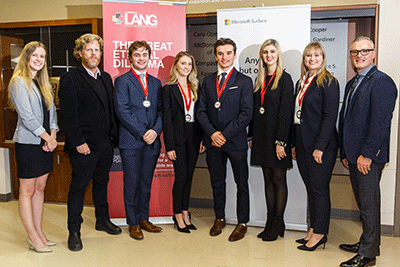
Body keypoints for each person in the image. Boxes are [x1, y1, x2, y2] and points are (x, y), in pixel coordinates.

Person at [59, 33, 121, 252]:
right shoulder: (71, 78)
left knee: (102, 184)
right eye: (89, 50)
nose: (94, 54)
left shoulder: (105, 77)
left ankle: (102, 220)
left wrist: (114, 137)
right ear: (80, 53)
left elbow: (109, 110)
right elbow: (68, 115)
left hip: (105, 143)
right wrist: (78, 142)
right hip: (83, 146)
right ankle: (74, 231)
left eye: (97, 50)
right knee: (78, 189)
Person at [338, 36, 397, 267]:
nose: (359, 55)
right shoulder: (353, 82)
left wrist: (368, 155)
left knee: (369, 204)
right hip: (353, 156)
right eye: (354, 52)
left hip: (368, 157)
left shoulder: (381, 81)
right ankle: (368, 243)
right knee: (364, 202)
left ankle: (368, 255)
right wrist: (345, 152)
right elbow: (348, 120)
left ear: (373, 53)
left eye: (364, 51)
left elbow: (381, 123)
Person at [197, 38, 253, 241]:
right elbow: (201, 111)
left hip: (235, 141)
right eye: (220, 53)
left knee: (242, 184)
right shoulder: (208, 81)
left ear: (234, 55)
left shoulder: (244, 81)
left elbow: (247, 113)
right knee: (217, 182)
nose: (224, 57)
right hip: (213, 143)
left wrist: (225, 134)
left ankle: (242, 222)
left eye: (228, 53)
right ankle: (219, 218)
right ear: (215, 56)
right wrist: (213, 134)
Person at [8, 41, 58, 253]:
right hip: (29, 144)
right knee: (27, 191)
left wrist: (53, 134)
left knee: (40, 188)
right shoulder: (18, 82)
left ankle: (39, 232)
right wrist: (47, 137)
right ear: (26, 57)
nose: (39, 60)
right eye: (35, 55)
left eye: (42, 56)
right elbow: (27, 117)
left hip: (46, 142)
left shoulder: (42, 82)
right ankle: (32, 236)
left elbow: (52, 112)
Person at [292, 42, 339, 251]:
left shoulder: (329, 82)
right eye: (308, 55)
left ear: (323, 58)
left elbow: (330, 117)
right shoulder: (301, 82)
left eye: (316, 55)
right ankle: (313, 229)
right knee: (311, 188)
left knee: (319, 190)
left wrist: (319, 147)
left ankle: (320, 233)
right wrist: (294, 144)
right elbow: (297, 116)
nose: (312, 59)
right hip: (302, 142)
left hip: (321, 146)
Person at [114, 41, 163, 240]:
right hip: (131, 141)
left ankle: (144, 218)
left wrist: (155, 131)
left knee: (146, 183)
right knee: (132, 183)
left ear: (149, 57)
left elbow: (161, 110)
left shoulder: (156, 83)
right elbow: (122, 110)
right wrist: (144, 132)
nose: (141, 58)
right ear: (130, 58)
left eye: (144, 54)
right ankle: (133, 222)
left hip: (152, 141)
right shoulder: (122, 81)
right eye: (137, 55)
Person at [248, 39, 294, 241]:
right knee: (267, 180)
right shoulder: (259, 79)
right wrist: (251, 135)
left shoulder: (285, 79)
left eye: (272, 51)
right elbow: (254, 112)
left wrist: (281, 142)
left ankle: (277, 223)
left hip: (277, 139)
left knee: (278, 180)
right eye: (265, 52)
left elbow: (286, 113)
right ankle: (270, 222)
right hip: (261, 138)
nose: (269, 55)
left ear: (278, 54)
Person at [162, 52, 206, 233]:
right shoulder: (168, 89)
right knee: (180, 177)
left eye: (190, 64)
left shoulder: (195, 87)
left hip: (194, 138)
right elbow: (166, 120)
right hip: (178, 139)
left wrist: (203, 138)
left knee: (189, 177)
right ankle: (177, 214)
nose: (186, 67)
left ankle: (186, 212)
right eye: (183, 63)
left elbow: (202, 115)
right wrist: (170, 146)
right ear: (176, 66)